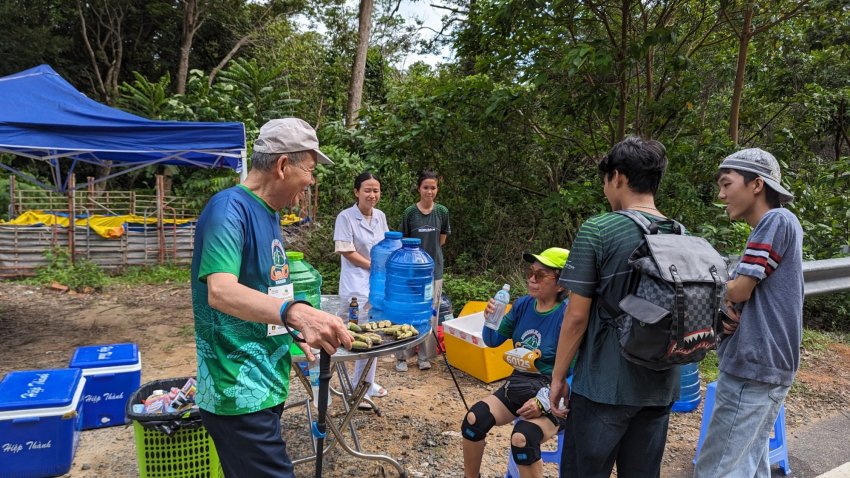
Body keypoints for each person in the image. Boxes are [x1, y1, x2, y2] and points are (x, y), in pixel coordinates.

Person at [191, 118, 352, 478]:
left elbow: (264, 291)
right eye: (309, 171)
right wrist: (296, 314)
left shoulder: (270, 214)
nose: (311, 181)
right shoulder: (228, 209)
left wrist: (292, 330)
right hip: (236, 387)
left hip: (263, 381)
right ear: (282, 166)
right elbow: (221, 290)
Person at [549, 136, 679, 478]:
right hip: (660, 386)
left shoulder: (599, 229)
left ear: (617, 177)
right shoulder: (681, 234)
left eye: (606, 181)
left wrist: (559, 376)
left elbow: (576, 318)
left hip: (604, 388)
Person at [693, 148, 803, 478]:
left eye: (727, 184)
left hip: (753, 366)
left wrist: (707, 288)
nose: (721, 194)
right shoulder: (777, 225)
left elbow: (740, 289)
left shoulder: (776, 219)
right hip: (762, 364)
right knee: (749, 463)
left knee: (716, 469)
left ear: (757, 185)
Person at [461, 248, 570, 478]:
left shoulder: (568, 315)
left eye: (540, 275)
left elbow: (579, 370)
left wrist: (544, 401)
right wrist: (491, 320)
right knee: (474, 420)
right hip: (519, 384)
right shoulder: (522, 305)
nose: (531, 279)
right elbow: (492, 341)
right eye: (531, 272)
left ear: (561, 283)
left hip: (555, 393)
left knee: (523, 438)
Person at [333, 171, 390, 405]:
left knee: (372, 334)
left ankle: (367, 383)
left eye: (375, 190)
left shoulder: (380, 216)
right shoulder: (345, 217)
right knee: (356, 335)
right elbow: (347, 250)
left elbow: (387, 244)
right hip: (355, 285)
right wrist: (374, 266)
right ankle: (356, 388)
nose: (372, 194)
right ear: (357, 192)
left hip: (376, 285)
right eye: (367, 189)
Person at [395, 170, 451, 372]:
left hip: (434, 271)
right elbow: (403, 242)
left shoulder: (442, 212)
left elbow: (442, 240)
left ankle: (424, 357)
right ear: (419, 188)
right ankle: (402, 356)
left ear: (437, 189)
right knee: (407, 312)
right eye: (426, 187)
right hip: (411, 272)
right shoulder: (410, 212)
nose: (429, 191)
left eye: (433, 187)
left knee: (431, 314)